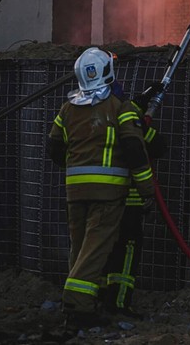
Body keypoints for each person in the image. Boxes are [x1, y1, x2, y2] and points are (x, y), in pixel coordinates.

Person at [47, 47, 156, 330]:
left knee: (80, 248)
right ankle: (77, 304)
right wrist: (146, 189)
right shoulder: (119, 107)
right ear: (108, 71)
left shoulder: (67, 109)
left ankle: (82, 301)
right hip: (108, 195)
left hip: (75, 193)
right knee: (95, 249)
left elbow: (54, 148)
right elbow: (134, 149)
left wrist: (77, 165)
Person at [99, 83, 167, 319]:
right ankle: (118, 304)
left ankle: (97, 300)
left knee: (99, 250)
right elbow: (155, 147)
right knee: (126, 251)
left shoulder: (91, 118)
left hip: (98, 201)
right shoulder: (128, 121)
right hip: (128, 201)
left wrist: (139, 106)